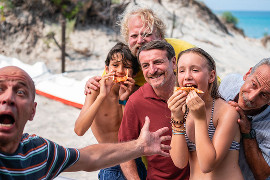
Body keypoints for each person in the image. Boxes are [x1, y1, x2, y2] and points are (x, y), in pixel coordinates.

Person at [0, 66, 171, 179]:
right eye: (0, 89)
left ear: (33, 110)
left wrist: (140, 146)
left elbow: (90, 158)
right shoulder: (97, 93)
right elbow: (80, 129)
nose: (8, 98)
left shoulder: (40, 152)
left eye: (20, 92)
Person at [168, 47, 243, 179]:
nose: (187, 76)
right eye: (181, 71)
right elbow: (180, 162)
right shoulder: (182, 110)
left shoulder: (227, 112)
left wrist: (200, 119)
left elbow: (207, 165)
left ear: (211, 76)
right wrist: (177, 119)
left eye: (195, 70)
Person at [118, 40, 190, 179]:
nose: (152, 70)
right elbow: (124, 150)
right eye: (145, 65)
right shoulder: (136, 102)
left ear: (173, 63)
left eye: (157, 62)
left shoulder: (191, 89)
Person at [74, 42, 146, 179]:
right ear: (107, 69)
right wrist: (102, 96)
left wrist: (125, 99)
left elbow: (130, 134)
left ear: (134, 73)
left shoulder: (137, 92)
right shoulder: (95, 90)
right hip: (110, 162)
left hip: (135, 160)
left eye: (126, 66)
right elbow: (79, 130)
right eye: (115, 65)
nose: (119, 70)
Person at [84, 6, 194, 92]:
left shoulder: (186, 52)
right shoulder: (124, 58)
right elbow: (106, 86)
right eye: (134, 36)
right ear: (127, 39)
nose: (140, 41)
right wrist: (92, 83)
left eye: (146, 34)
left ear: (160, 36)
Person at [218, 58, 270, 180]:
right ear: (247, 74)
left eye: (264, 95)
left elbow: (262, 174)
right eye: (253, 84)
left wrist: (247, 132)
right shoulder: (229, 82)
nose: (252, 97)